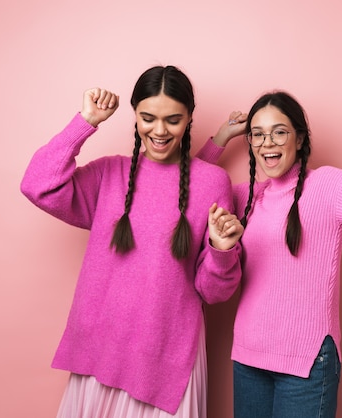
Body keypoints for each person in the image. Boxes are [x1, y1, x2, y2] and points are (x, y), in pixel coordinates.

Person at [20, 65, 244, 418]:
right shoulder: (109, 173)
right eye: (147, 117)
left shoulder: (213, 184)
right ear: (134, 114)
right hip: (100, 354)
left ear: (189, 118)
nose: (159, 130)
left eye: (173, 119)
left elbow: (214, 292)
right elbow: (38, 185)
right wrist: (85, 122)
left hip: (165, 361)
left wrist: (221, 250)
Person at [195, 77, 342, 418]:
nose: (266, 142)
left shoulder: (328, 187)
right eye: (257, 133)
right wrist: (222, 138)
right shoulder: (244, 197)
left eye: (279, 132)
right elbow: (194, 185)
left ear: (300, 139)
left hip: (307, 364)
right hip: (248, 359)